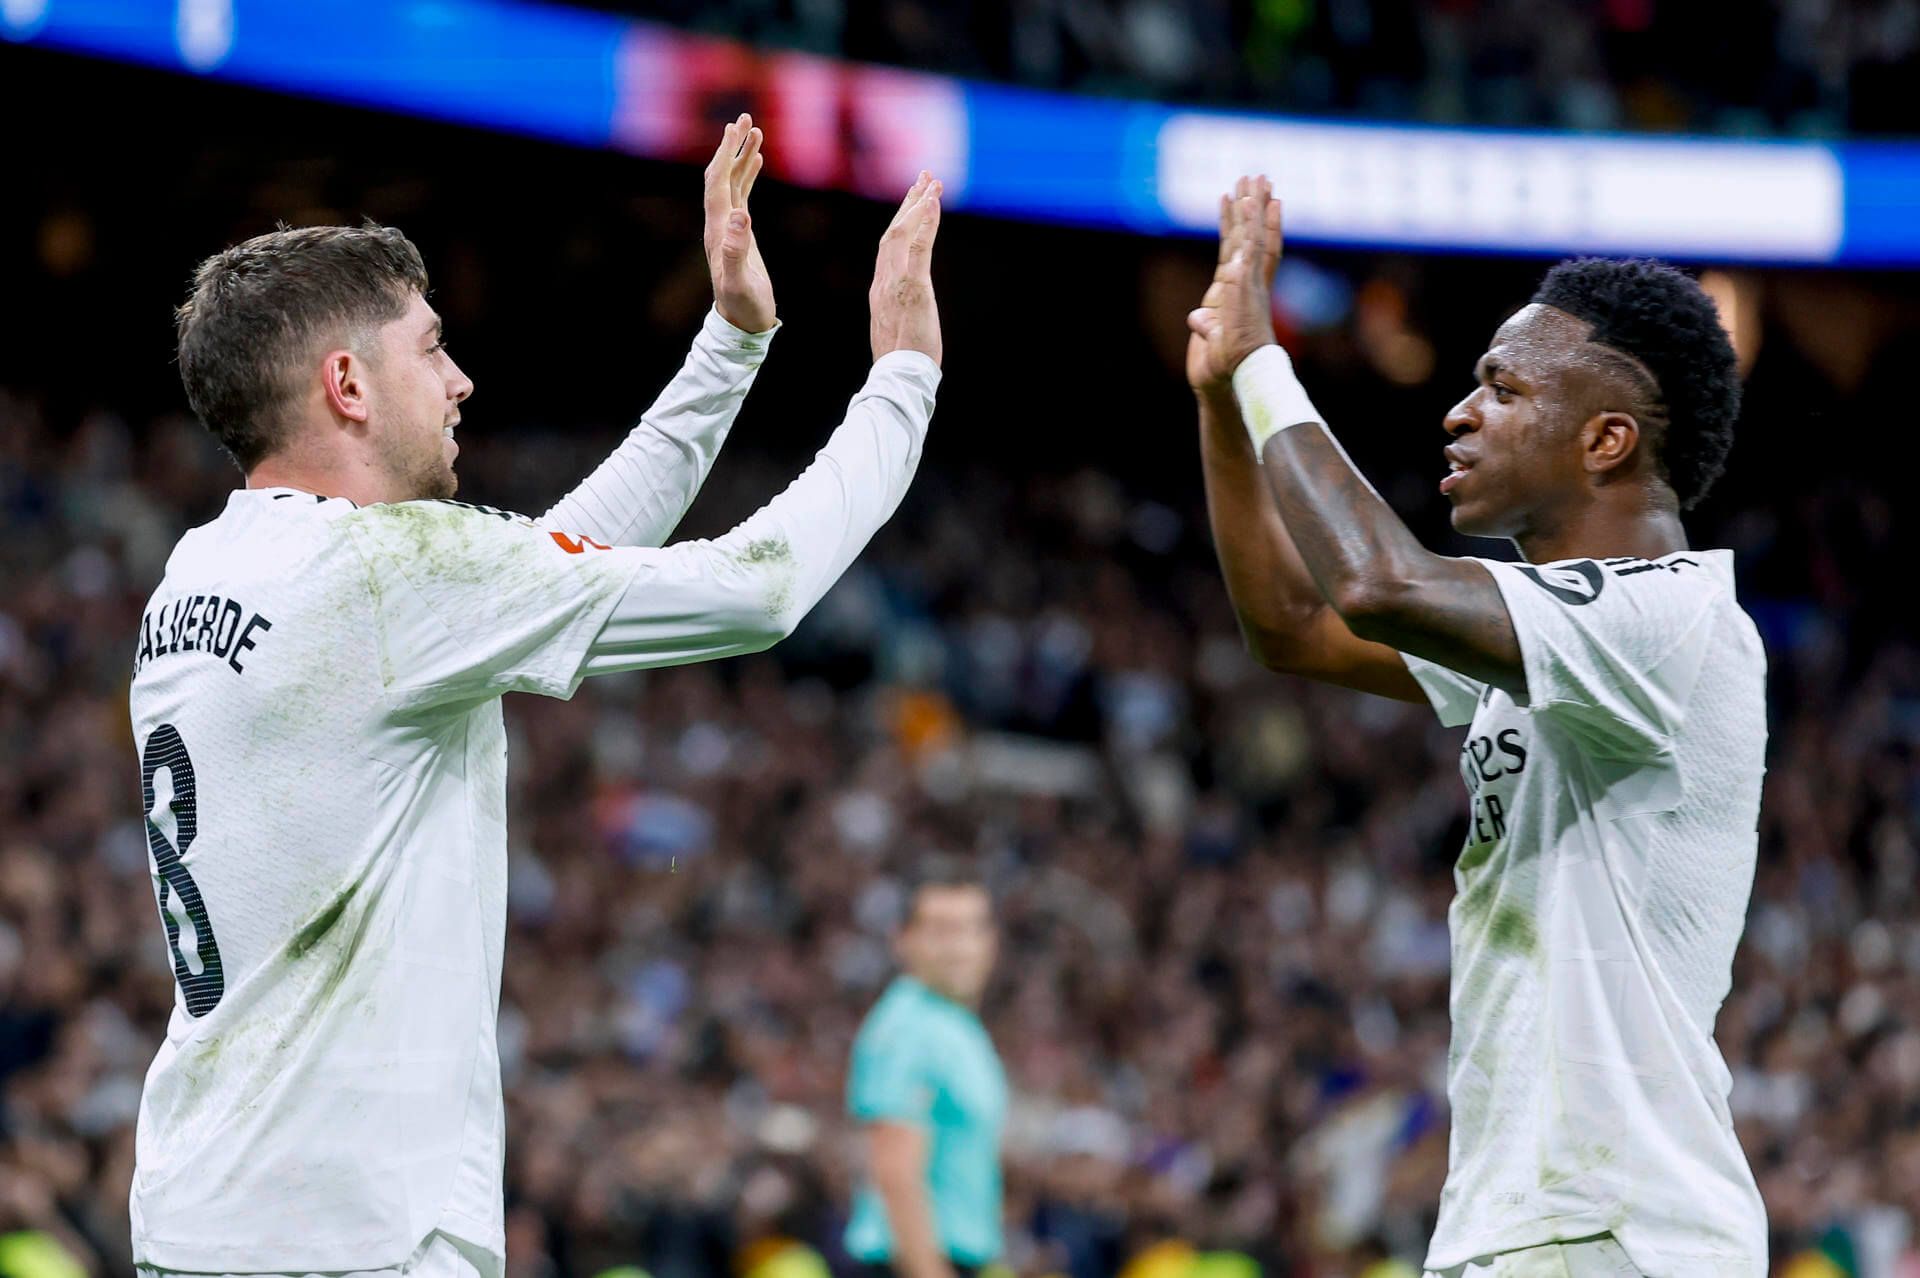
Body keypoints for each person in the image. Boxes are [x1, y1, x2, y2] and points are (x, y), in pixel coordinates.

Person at [127, 116, 945, 1278]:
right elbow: (757, 592)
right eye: (431, 349)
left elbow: (559, 556)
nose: (461, 380)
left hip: (207, 1212)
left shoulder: (206, 573)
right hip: (352, 1238)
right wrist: (903, 382)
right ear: (347, 384)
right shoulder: (383, 576)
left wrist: (734, 344)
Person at [1187, 177, 1766, 1277]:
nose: (1460, 412)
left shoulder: (1668, 616)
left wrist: (1269, 366)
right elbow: (1298, 625)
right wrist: (1224, 403)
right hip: (1537, 1222)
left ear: (1605, 441)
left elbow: (1372, 584)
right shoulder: (1557, 638)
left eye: (1502, 388)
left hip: (1615, 1227)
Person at [845, 860, 1006, 1278]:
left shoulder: (955, 1026)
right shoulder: (906, 1029)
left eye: (970, 928)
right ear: (903, 939)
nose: (959, 946)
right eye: (940, 930)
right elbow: (896, 1171)